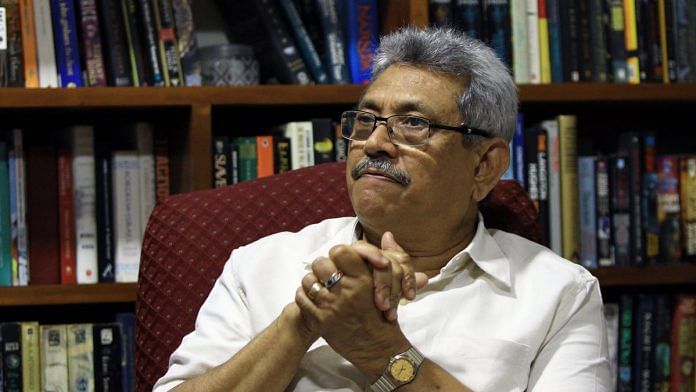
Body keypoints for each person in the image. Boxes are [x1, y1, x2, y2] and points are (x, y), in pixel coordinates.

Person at [154, 27, 611, 391]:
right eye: (367, 120)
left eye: (413, 124)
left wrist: (380, 350)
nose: (374, 143)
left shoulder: (560, 296)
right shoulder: (260, 265)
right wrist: (307, 316)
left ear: (485, 166)